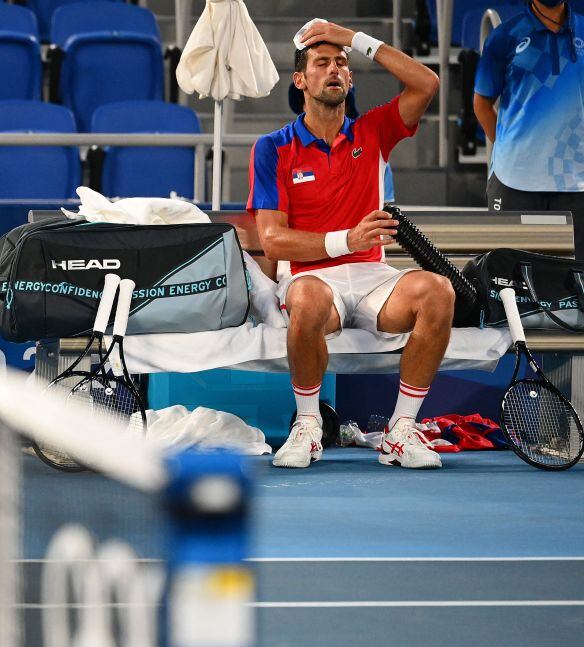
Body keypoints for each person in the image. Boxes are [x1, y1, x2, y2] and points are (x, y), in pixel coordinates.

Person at [248, 20, 448, 469]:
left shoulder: (373, 132)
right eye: (322, 63)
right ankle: (308, 427)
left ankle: (401, 431)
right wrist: (346, 240)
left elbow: (427, 82)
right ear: (301, 81)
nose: (334, 68)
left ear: (350, 78)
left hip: (374, 277)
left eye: (342, 63)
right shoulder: (272, 148)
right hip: (312, 278)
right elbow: (273, 241)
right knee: (308, 299)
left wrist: (352, 37)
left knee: (439, 291)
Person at [473, 1, 584, 254]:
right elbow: (481, 104)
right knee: (508, 279)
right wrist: (510, 150)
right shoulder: (505, 36)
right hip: (514, 181)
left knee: (576, 282)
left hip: (577, 183)